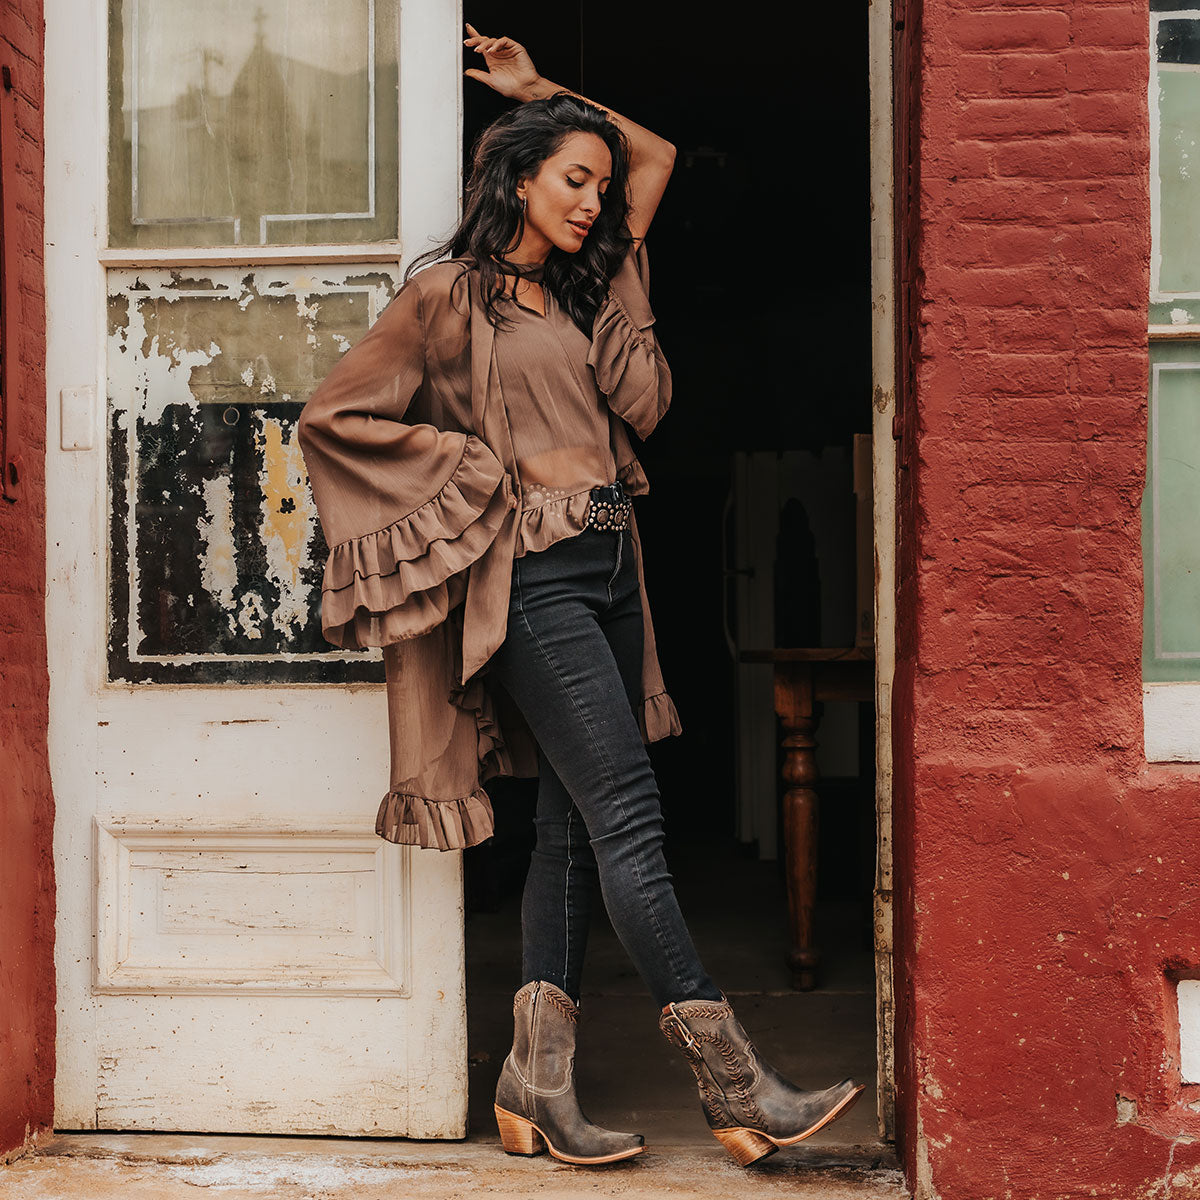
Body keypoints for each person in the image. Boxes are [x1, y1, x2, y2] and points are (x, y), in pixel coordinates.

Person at [297, 23, 864, 1169]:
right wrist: (471, 478)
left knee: (565, 833)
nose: (598, 201)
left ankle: (535, 1086)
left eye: (599, 189)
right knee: (631, 819)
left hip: (615, 572)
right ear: (513, 177)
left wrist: (547, 90)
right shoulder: (445, 301)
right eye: (572, 178)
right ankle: (736, 1082)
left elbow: (651, 157)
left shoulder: (588, 286)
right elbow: (334, 417)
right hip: (533, 580)